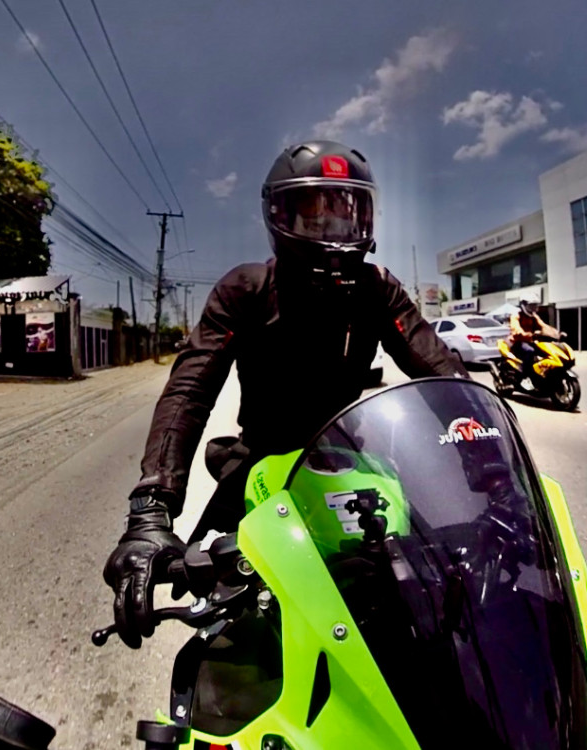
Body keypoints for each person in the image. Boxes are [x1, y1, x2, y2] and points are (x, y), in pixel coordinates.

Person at [103, 139, 469, 649]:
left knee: (432, 602)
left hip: (347, 460)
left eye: (346, 212)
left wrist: (493, 469)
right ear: (278, 215)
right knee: (220, 633)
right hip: (259, 462)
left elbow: (444, 375)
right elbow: (190, 389)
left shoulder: (377, 289)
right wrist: (151, 506)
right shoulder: (246, 289)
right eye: (314, 212)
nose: (332, 225)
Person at [508, 293, 560, 383]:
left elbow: (543, 326)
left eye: (534, 306)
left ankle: (544, 374)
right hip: (518, 342)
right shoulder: (516, 315)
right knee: (530, 351)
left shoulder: (534, 316)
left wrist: (556, 333)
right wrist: (522, 333)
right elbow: (515, 327)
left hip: (530, 341)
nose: (533, 308)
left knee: (547, 351)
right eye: (531, 306)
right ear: (523, 305)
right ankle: (525, 376)